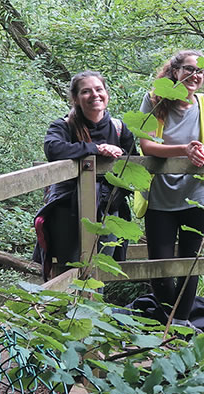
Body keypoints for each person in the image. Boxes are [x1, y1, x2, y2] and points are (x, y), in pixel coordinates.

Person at [139, 50, 204, 329]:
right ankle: (171, 323)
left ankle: (181, 324)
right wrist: (184, 151)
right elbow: (147, 146)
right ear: (174, 71)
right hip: (160, 196)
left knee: (190, 263)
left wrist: (200, 152)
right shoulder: (153, 100)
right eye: (189, 69)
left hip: (196, 194)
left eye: (200, 72)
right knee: (160, 267)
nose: (195, 76)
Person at [34, 71, 135, 281]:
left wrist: (120, 159)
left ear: (106, 93)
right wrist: (96, 149)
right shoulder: (63, 125)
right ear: (76, 98)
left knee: (101, 269)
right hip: (68, 209)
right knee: (68, 267)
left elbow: (135, 165)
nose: (94, 95)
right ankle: (65, 312)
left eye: (99, 89)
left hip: (109, 207)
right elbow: (53, 149)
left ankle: (93, 312)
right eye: (86, 91)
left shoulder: (119, 128)